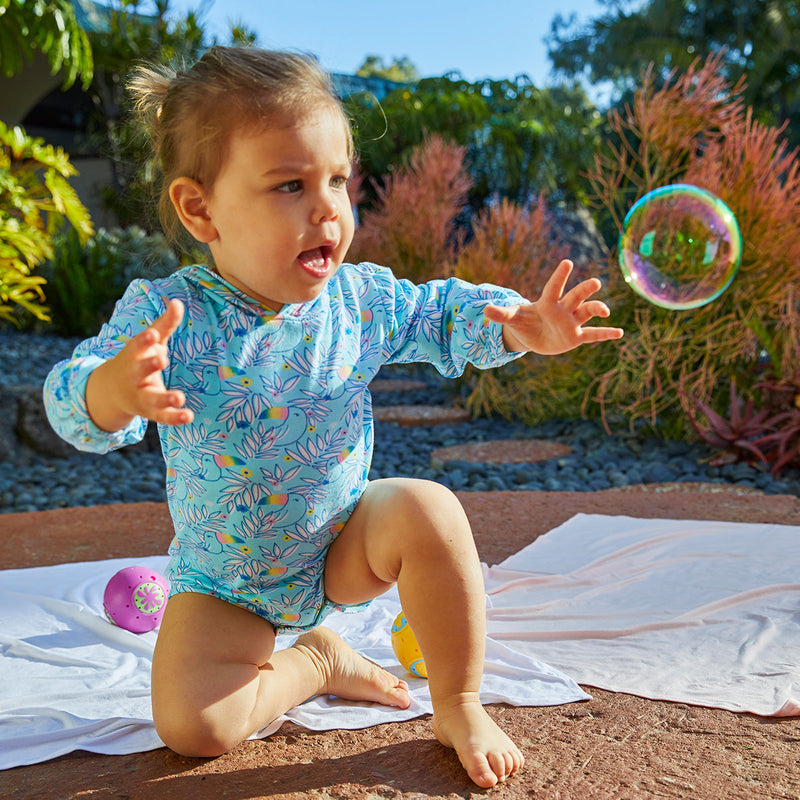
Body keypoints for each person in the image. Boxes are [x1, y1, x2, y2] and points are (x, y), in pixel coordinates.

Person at [44, 45, 623, 788]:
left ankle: (459, 700)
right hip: (229, 578)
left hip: (344, 547)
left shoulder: (357, 299)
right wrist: (111, 393)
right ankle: (315, 660)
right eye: (290, 184)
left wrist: (519, 326)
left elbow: (439, 312)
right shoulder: (168, 315)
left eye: (339, 180)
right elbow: (73, 390)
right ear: (201, 209)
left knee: (429, 506)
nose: (328, 208)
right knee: (194, 729)